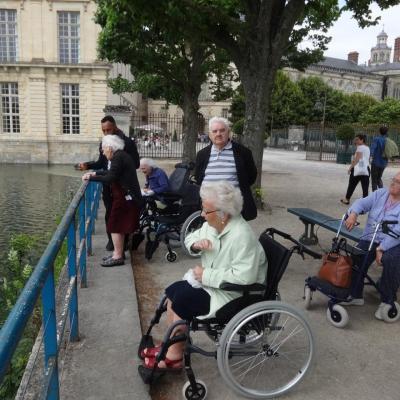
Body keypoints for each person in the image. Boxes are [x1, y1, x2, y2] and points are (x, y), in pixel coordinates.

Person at [141, 181, 267, 370]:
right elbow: (191, 236)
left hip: (232, 294)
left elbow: (245, 278)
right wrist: (196, 243)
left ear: (223, 213)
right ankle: (173, 347)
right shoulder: (216, 224)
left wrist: (206, 275)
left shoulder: (241, 236)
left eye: (205, 211)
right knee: (173, 293)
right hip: (213, 285)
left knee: (182, 300)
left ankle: (174, 357)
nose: (201, 214)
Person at [78, 115, 140, 251]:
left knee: (123, 214)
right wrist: (87, 166)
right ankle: (112, 241)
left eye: (108, 130)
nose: (106, 133)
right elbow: (102, 163)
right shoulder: (104, 142)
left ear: (115, 127)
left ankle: (123, 245)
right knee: (109, 212)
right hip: (108, 182)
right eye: (103, 131)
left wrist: (118, 167)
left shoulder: (127, 143)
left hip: (122, 185)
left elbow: (136, 164)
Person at [344, 172, 400, 320]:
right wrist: (354, 213)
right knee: (357, 253)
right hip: (371, 237)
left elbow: (397, 232)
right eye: (393, 180)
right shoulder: (381, 194)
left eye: (398, 182)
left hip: (394, 242)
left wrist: (382, 248)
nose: (393, 183)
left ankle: (388, 300)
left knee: (390, 260)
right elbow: (362, 203)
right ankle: (355, 294)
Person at [82, 135, 142, 267]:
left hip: (125, 198)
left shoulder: (118, 157)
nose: (103, 152)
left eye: (103, 149)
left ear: (109, 148)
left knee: (114, 225)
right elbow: (111, 173)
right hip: (125, 197)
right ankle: (118, 253)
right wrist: (95, 174)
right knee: (117, 226)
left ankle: (117, 256)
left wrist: (91, 178)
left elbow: (110, 178)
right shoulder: (120, 156)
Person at [194, 116, 258, 221]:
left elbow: (251, 177)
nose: (218, 134)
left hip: (233, 210)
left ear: (228, 132)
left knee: (233, 236)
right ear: (210, 135)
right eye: (214, 131)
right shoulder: (202, 154)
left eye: (222, 130)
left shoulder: (243, 153)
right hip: (209, 210)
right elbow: (198, 177)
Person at [340, 134, 370, 205]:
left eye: (357, 139)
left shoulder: (360, 147)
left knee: (352, 184)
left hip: (357, 169)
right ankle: (366, 202)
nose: (355, 141)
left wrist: (350, 168)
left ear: (362, 140)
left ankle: (347, 199)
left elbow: (357, 159)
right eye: (355, 139)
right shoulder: (367, 148)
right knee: (365, 187)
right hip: (366, 169)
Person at [370, 126, 388, 191]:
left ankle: (375, 196)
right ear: (386, 132)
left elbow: (373, 149)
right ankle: (382, 193)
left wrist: (370, 156)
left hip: (376, 162)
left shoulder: (376, 139)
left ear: (379, 131)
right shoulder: (387, 140)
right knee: (379, 178)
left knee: (374, 180)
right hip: (384, 163)